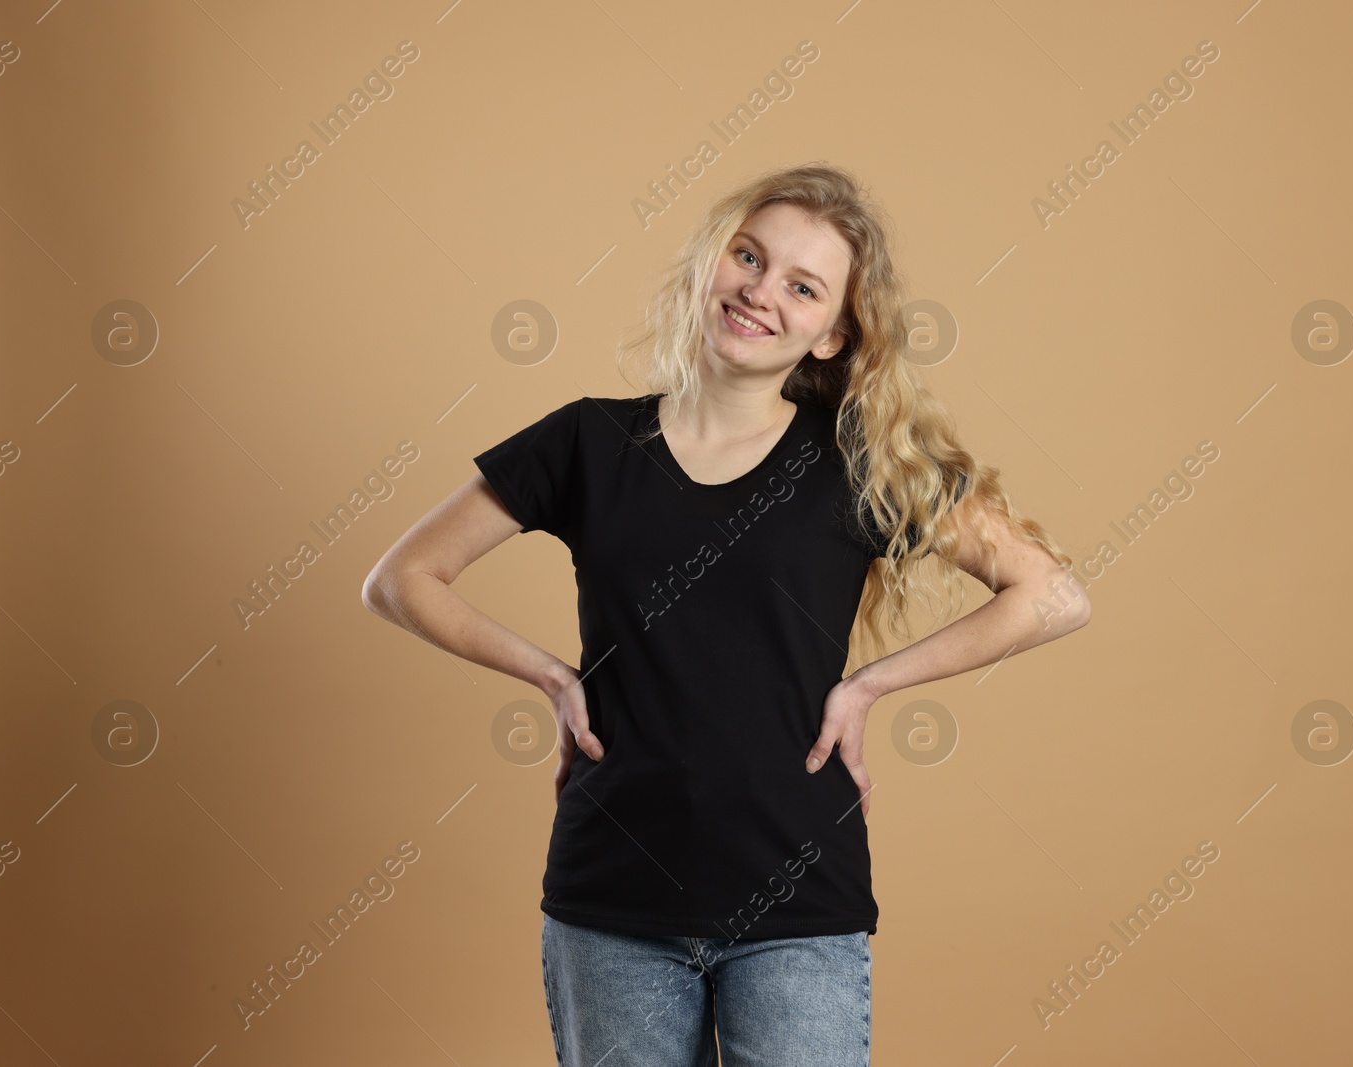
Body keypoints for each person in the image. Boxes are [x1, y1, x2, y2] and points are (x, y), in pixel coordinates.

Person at [362, 162, 1091, 1066]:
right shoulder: (590, 441)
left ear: (831, 336)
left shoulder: (856, 464)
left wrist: (871, 683)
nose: (760, 291)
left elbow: (1054, 594)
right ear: (713, 264)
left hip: (798, 905)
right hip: (612, 903)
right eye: (748, 257)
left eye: (803, 286)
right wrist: (550, 674)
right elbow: (401, 579)